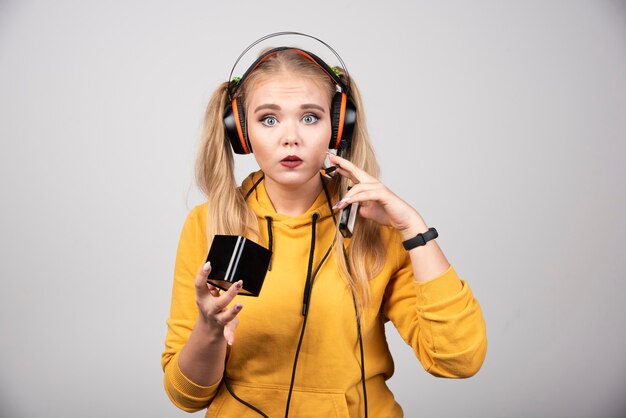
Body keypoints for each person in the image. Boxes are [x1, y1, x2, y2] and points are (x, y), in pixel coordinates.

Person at [162, 34, 487, 418]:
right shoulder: (210, 223)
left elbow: (457, 360)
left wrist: (414, 229)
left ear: (339, 126)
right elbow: (187, 397)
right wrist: (210, 330)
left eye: (310, 117)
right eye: (268, 119)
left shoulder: (374, 226)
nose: (290, 138)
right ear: (241, 132)